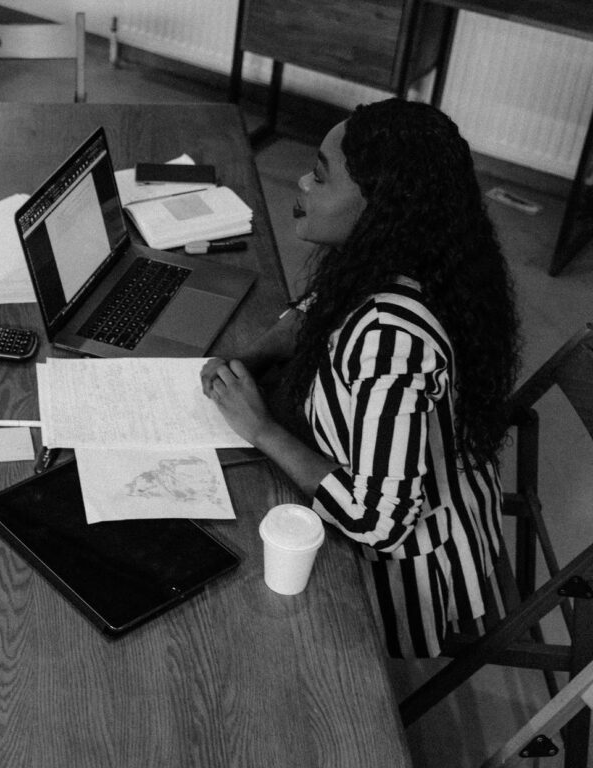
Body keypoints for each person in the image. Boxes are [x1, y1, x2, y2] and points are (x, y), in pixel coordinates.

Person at [201, 98, 519, 658]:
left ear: (380, 208)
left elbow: (378, 522)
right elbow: (313, 312)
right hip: (376, 486)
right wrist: (249, 358)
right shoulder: (390, 257)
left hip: (405, 572)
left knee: (230, 620)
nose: (301, 180)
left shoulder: (394, 341)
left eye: (320, 176)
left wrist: (261, 430)